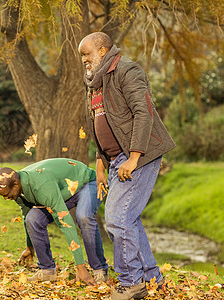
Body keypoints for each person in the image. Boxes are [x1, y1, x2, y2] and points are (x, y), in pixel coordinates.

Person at [78, 32, 176, 300]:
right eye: (82, 55)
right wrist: (100, 163)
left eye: (87, 53)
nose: (84, 59)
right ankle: (152, 279)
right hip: (115, 160)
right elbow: (100, 124)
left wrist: (134, 157)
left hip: (138, 156)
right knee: (128, 220)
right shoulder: (95, 82)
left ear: (103, 49)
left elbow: (143, 113)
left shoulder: (126, 70)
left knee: (117, 220)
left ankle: (131, 283)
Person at [0, 158, 109, 285]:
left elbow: (66, 223)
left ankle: (99, 269)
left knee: (84, 216)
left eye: (6, 194)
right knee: (33, 219)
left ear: (15, 184)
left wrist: (80, 266)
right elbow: (26, 216)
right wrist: (29, 247)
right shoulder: (17, 189)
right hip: (62, 191)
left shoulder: (41, 186)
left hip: (85, 182)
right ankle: (47, 271)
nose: (5, 198)